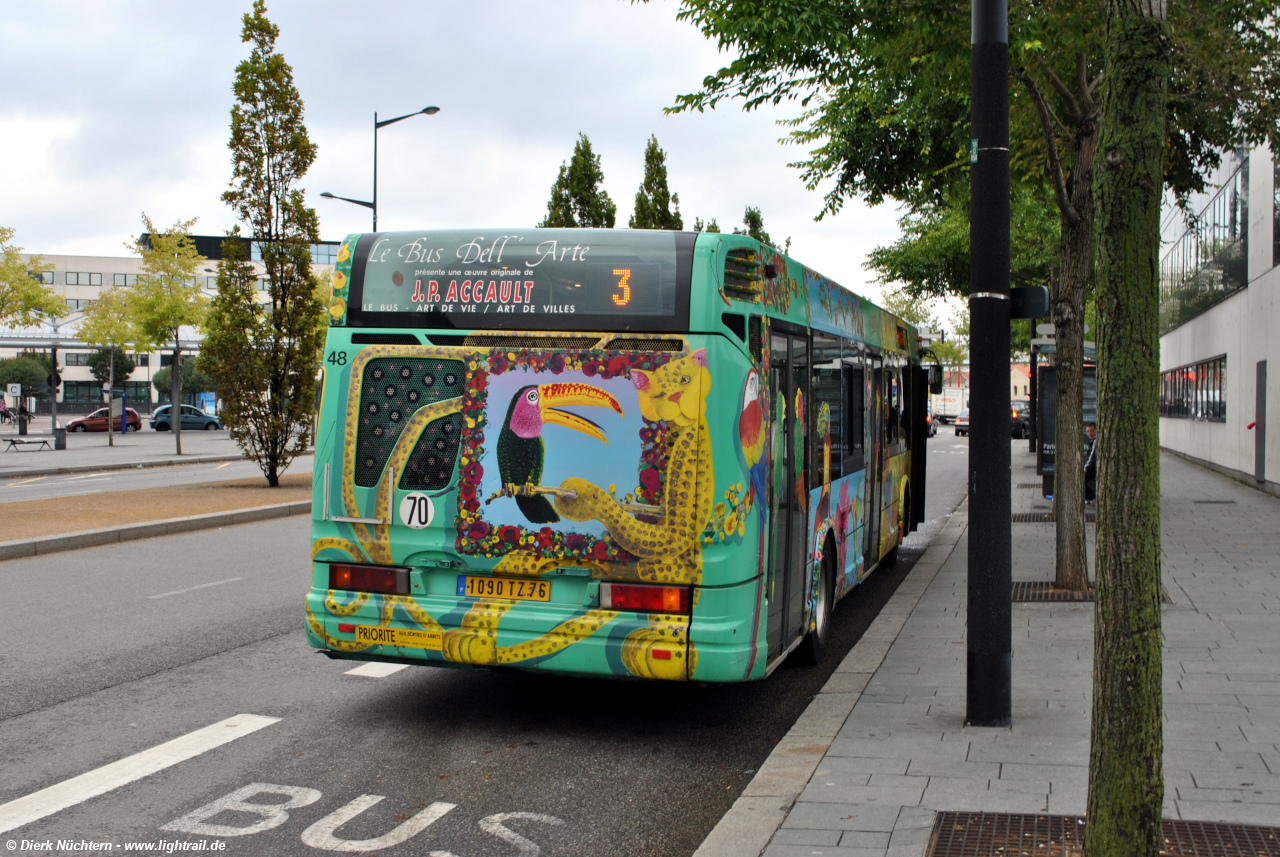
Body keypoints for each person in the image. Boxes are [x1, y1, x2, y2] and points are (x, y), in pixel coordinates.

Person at [1083, 421, 1097, 504]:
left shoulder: (1095, 441)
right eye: (1088, 431)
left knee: (1080, 478)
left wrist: (1085, 468)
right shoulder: (1092, 441)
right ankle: (1089, 497)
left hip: (1093, 468)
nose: (1089, 433)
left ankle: (1091, 497)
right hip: (1091, 467)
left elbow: (1092, 457)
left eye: (1091, 431)